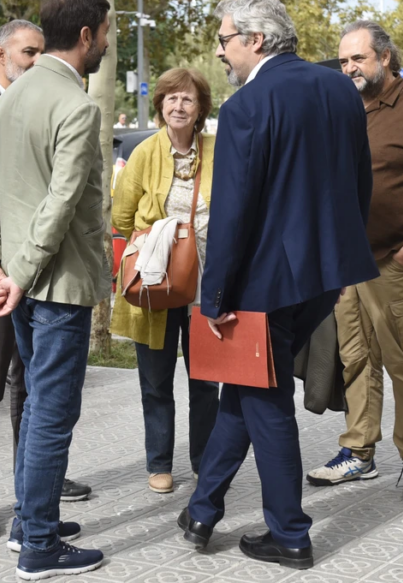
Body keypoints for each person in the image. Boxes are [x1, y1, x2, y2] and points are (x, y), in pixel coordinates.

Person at [178, 0, 378, 570]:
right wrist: (343, 258)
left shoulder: (247, 104)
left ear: (256, 40)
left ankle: (289, 534)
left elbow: (233, 210)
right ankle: (201, 511)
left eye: (224, 40)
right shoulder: (339, 88)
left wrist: (215, 295)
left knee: (264, 401)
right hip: (325, 272)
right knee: (247, 388)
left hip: (266, 280)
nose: (220, 51)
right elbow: (359, 182)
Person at [0, 0, 111, 580]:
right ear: (85, 36)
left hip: (19, 281)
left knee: (35, 409)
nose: (107, 44)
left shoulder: (13, 95)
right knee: (52, 413)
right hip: (54, 283)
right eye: (106, 33)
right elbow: (62, 201)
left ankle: (29, 523)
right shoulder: (76, 105)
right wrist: (21, 275)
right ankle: (41, 547)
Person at [0, 19, 91, 539]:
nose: (36, 59)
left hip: (35, 272)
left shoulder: (39, 102)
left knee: (29, 386)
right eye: (28, 52)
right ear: (1, 56)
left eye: (40, 51)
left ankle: (34, 493)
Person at [307, 21, 403, 502]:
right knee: (355, 360)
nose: (349, 68)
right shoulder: (341, 109)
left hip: (395, 262)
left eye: (358, 58)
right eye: (343, 61)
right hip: (347, 264)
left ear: (385, 58)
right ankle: (359, 451)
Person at [111, 67, 219, 494]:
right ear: (160, 105)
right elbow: (122, 216)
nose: (178, 105)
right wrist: (160, 244)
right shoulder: (144, 152)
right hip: (155, 283)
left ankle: (205, 461)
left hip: (206, 284)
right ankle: (159, 463)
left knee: (206, 380)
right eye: (171, 98)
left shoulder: (218, 150)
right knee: (155, 381)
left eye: (187, 99)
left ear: (200, 109)